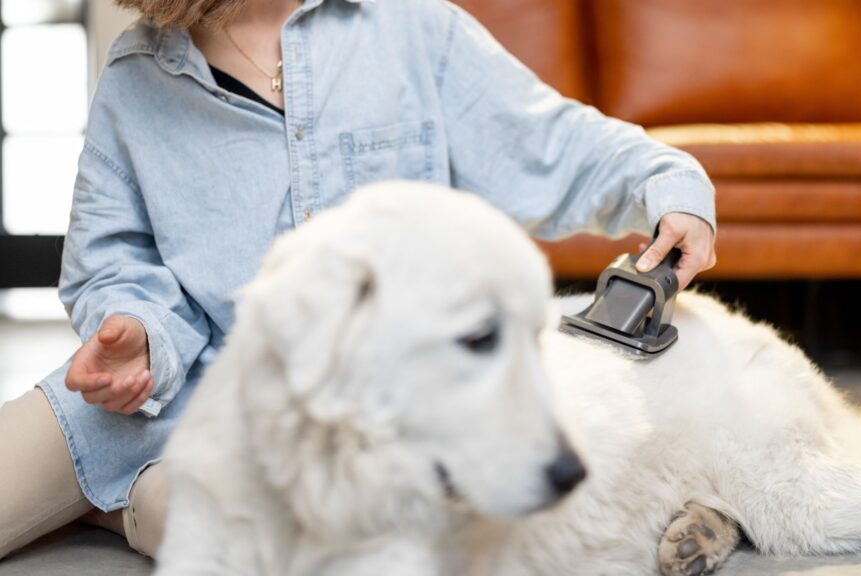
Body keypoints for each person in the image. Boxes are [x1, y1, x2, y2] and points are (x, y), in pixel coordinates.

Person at [0, 0, 716, 560]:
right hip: (153, 400)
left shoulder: (410, 29)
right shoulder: (135, 78)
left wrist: (670, 185)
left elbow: (551, 144)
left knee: (220, 528)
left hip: (334, 423)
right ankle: (115, 498)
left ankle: (120, 510)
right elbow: (112, 257)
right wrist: (136, 333)